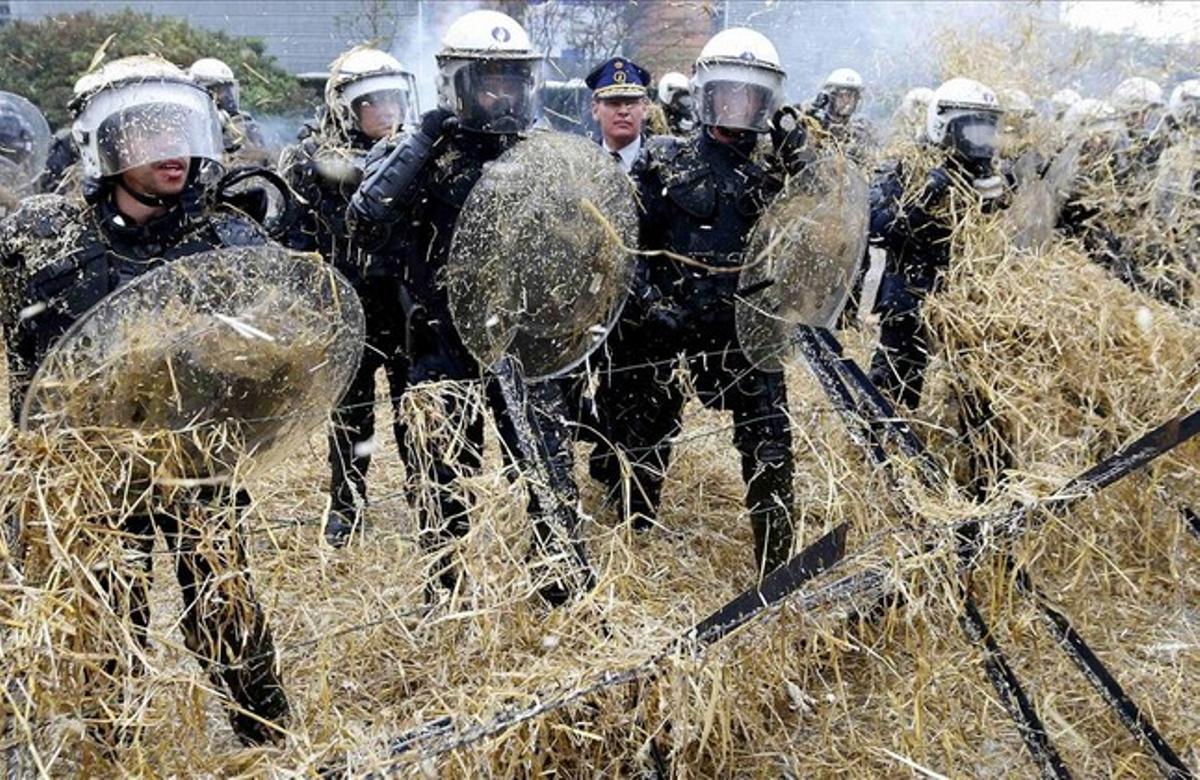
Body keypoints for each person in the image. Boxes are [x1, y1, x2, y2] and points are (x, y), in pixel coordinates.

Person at [0, 55, 288, 748]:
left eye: (182, 131)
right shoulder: (45, 240)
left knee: (227, 607)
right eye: (149, 135)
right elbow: (21, 354)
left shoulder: (226, 236)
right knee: (106, 620)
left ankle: (268, 738)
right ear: (107, 145)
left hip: (197, 464)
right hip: (94, 475)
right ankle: (112, 745)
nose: (173, 153)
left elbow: (278, 350)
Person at [347, 9, 590, 606]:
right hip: (438, 337)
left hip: (520, 335)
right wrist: (427, 139)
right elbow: (365, 221)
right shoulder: (423, 151)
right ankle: (448, 590)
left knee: (548, 465)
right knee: (441, 476)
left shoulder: (540, 154)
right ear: (458, 83)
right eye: (487, 80)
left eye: (511, 81)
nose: (499, 94)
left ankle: (561, 581)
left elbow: (586, 240)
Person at [589, 27, 809, 578]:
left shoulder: (775, 171)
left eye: (752, 95)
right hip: (668, 323)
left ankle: (776, 565)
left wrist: (803, 169)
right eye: (730, 92)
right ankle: (633, 542)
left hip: (745, 326)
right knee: (642, 437)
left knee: (771, 445)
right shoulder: (665, 163)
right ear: (708, 92)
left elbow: (821, 240)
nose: (740, 106)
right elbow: (624, 247)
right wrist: (649, 300)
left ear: (767, 101)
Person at [280, 46, 417, 546]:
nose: (388, 111)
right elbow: (293, 240)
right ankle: (346, 504)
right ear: (346, 107)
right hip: (347, 308)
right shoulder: (310, 161)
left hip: (404, 305)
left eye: (394, 99)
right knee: (350, 416)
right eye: (374, 102)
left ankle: (426, 496)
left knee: (415, 410)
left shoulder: (414, 156)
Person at [868, 77, 1008, 412]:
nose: (978, 141)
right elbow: (876, 227)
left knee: (979, 390)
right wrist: (924, 201)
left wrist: (997, 195)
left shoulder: (991, 176)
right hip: (910, 293)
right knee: (896, 384)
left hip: (968, 300)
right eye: (970, 130)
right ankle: (885, 441)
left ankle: (980, 454)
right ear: (942, 124)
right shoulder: (906, 166)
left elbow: (1007, 232)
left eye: (985, 131)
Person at [189, 57, 268, 160]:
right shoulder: (190, 123)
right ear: (203, 91)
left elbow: (263, 156)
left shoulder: (243, 122)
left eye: (228, 89)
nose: (228, 95)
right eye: (221, 90)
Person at [585, 56, 651, 173]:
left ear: (644, 108)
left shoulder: (662, 165)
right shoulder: (582, 164)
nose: (623, 111)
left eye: (631, 103)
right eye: (613, 103)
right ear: (595, 110)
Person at [813, 67, 875, 164]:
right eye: (842, 95)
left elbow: (873, 161)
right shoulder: (816, 125)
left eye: (852, 96)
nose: (847, 101)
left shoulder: (862, 129)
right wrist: (812, 108)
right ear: (831, 97)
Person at [656, 70, 696, 136]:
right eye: (679, 96)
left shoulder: (693, 113)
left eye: (686, 95)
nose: (685, 101)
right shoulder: (657, 118)